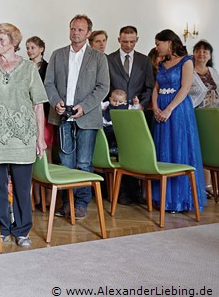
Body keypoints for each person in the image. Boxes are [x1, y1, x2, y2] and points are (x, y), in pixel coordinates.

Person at [0, 23, 48, 247]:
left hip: (23, 136)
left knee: (23, 188)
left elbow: (38, 105)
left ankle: (22, 231)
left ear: (14, 42)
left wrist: (40, 138)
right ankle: (2, 229)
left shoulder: (29, 69)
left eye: (2, 40)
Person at [44, 14, 110, 220]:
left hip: (86, 117)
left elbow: (103, 88)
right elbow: (48, 83)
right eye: (73, 28)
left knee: (83, 163)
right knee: (65, 163)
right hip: (63, 115)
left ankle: (81, 204)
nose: (75, 33)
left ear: (88, 33)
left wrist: (85, 106)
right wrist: (56, 102)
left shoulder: (99, 57)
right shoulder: (57, 55)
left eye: (80, 29)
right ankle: (67, 203)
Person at [152, 29, 206, 213]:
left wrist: (168, 109)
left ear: (169, 42)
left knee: (179, 149)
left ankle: (181, 200)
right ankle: (163, 199)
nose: (157, 48)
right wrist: (156, 107)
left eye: (159, 44)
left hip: (179, 110)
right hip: (161, 109)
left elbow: (184, 88)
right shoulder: (161, 63)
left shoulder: (186, 61)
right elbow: (155, 88)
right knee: (163, 150)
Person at [107, 26, 154, 204]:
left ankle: (136, 191)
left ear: (137, 40)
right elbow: (104, 85)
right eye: (125, 41)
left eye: (132, 42)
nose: (128, 45)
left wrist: (141, 104)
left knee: (135, 150)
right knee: (120, 150)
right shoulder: (109, 59)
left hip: (136, 113)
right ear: (119, 39)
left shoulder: (144, 60)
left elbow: (149, 86)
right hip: (114, 114)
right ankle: (122, 192)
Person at [26, 36, 54, 207]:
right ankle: (36, 198)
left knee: (46, 154)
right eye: (27, 48)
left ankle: (50, 198)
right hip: (28, 113)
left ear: (41, 49)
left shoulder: (48, 68)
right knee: (32, 156)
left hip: (44, 113)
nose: (29, 51)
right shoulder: (25, 67)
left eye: (32, 48)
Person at [101, 89, 140, 156]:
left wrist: (136, 104)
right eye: (114, 101)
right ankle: (111, 148)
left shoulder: (127, 107)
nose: (117, 104)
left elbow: (134, 110)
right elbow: (100, 104)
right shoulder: (107, 105)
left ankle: (118, 149)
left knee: (123, 135)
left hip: (121, 128)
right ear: (110, 99)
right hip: (108, 127)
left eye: (120, 102)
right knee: (110, 134)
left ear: (125, 101)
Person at [189, 40, 218, 108]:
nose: (201, 54)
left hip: (214, 109)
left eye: (205, 52)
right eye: (198, 51)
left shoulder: (213, 71)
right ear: (194, 55)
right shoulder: (189, 71)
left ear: (210, 56)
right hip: (194, 108)